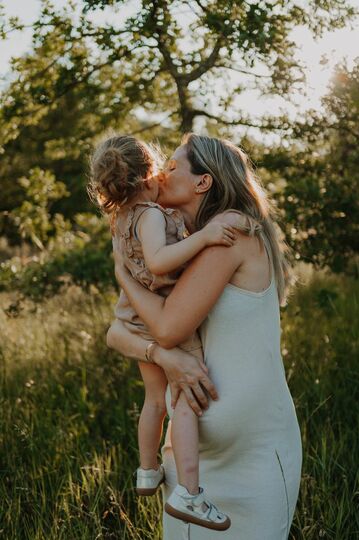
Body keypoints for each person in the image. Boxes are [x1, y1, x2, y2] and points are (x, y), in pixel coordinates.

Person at [107, 133, 302, 539]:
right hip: (192, 467)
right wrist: (164, 358)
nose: (161, 173)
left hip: (254, 458)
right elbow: (116, 334)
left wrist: (124, 276)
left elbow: (167, 328)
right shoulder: (175, 244)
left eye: (173, 166)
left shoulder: (231, 232)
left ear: (203, 182)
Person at [88, 135, 234, 530]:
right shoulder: (151, 214)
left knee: (155, 399)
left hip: (133, 316)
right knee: (183, 397)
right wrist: (202, 238)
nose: (167, 177)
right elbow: (157, 263)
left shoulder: (120, 219)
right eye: (164, 169)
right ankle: (189, 490)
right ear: (148, 173)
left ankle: (148, 470)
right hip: (161, 314)